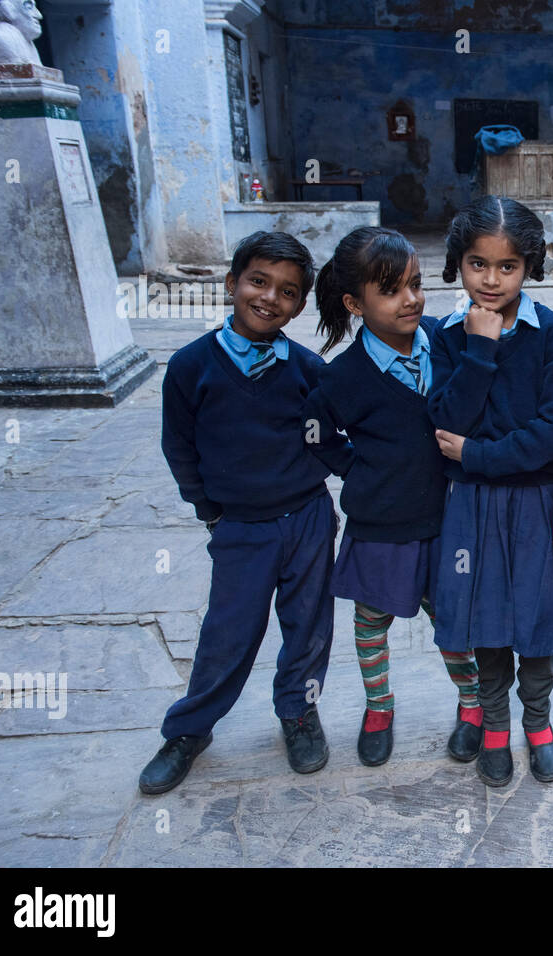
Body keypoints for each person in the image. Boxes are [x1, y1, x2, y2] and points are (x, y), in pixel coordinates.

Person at [141, 231, 349, 794]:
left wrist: (370, 474)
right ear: (232, 283)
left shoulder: (306, 368)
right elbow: (178, 445)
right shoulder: (191, 367)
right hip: (240, 527)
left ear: (299, 305)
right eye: (258, 282)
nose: (269, 298)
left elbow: (326, 439)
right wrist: (210, 510)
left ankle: (298, 713)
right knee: (228, 633)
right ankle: (189, 729)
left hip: (306, 517)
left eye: (287, 291)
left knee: (309, 627)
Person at [304, 226, 483, 768]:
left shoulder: (446, 341)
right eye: (391, 290)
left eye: (415, 283)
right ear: (355, 303)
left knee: (452, 623)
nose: (411, 299)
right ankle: (379, 706)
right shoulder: (344, 378)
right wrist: (358, 470)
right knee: (370, 621)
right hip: (380, 524)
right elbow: (315, 431)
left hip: (446, 521)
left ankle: (473, 707)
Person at [426, 196, 553, 788]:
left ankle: (538, 723)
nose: (490, 279)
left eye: (507, 267)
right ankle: (494, 726)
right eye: (477, 264)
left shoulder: (551, 332)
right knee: (484, 619)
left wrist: (479, 453)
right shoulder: (446, 334)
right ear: (458, 264)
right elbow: (444, 421)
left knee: (535, 619)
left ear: (529, 266)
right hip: (469, 505)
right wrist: (479, 348)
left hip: (535, 499)